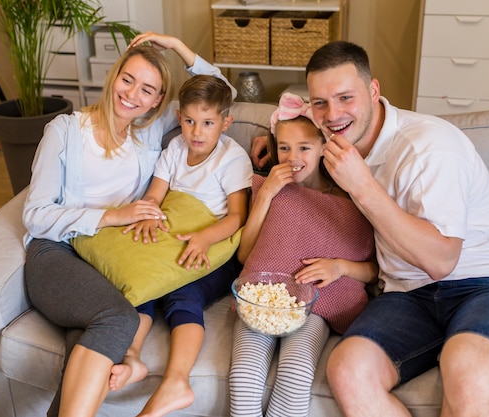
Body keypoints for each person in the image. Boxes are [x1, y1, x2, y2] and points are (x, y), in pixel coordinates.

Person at [299, 41, 489, 417]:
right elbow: (291, 112)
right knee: (348, 370)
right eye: (320, 103)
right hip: (408, 293)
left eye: (346, 97)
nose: (333, 114)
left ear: (374, 91)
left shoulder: (428, 146)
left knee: (468, 372)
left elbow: (442, 261)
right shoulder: (336, 140)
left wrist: (362, 185)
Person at [22, 31, 237, 417]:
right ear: (114, 75)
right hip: (58, 252)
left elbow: (220, 91)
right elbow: (35, 215)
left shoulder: (148, 130)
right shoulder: (65, 131)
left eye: (148, 90)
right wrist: (114, 216)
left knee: (87, 353)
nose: (132, 95)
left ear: (158, 101)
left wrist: (176, 46)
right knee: (118, 318)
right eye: (128, 79)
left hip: (115, 255)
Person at [111, 73, 253, 417]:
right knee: (144, 283)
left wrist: (205, 237)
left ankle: (177, 381)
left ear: (225, 123)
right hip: (174, 239)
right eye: (189, 121)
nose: (196, 132)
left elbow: (238, 217)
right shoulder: (175, 149)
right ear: (180, 119)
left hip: (215, 250)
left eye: (207, 123)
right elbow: (156, 194)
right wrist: (147, 214)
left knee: (182, 294)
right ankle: (131, 356)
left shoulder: (231, 159)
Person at [229, 93, 377, 417]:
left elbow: (376, 271)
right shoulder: (267, 187)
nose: (292, 157)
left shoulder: (352, 198)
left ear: (325, 146)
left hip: (315, 311)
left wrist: (340, 267)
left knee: (296, 374)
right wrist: (267, 192)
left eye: (303, 148)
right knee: (243, 376)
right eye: (284, 147)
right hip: (260, 305)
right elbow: (243, 256)